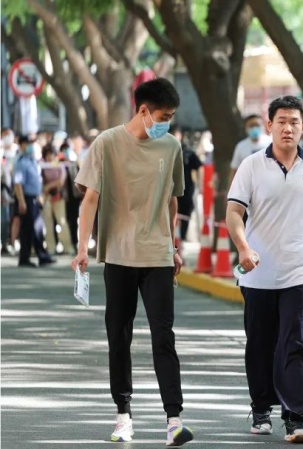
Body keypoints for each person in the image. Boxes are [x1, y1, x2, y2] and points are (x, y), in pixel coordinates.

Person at [70, 78, 194, 446]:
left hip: (156, 254)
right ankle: (123, 415)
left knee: (163, 337)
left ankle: (174, 419)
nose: (167, 123)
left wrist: (173, 245)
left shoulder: (171, 146)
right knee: (118, 337)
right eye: (163, 116)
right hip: (119, 254)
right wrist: (82, 249)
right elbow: (90, 198)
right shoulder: (107, 143)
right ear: (143, 111)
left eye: (171, 117)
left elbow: (173, 198)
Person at [227, 96, 303, 443]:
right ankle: (261, 407)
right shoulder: (252, 165)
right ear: (269, 125)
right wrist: (243, 248)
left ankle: (295, 417)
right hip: (258, 272)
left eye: (294, 121)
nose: (287, 127)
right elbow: (234, 212)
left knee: (295, 342)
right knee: (261, 343)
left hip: (301, 271)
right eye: (281, 121)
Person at [14, 134, 55, 268]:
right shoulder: (21, 162)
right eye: (27, 143)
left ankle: (42, 255)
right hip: (26, 198)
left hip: (34, 198)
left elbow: (36, 181)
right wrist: (21, 201)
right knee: (29, 228)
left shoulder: (32, 160)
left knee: (36, 227)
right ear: (21, 145)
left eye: (31, 143)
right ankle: (25, 258)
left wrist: (39, 196)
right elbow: (18, 184)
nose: (30, 146)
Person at [40, 144, 73, 255]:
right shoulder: (42, 165)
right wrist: (46, 190)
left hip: (58, 196)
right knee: (48, 223)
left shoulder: (60, 165)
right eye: (47, 155)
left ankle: (68, 247)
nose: (49, 157)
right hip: (47, 197)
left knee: (62, 221)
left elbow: (61, 182)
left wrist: (48, 186)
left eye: (51, 154)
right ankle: (50, 247)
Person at [173, 128, 202, 246]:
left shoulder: (188, 152)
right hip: (170, 189)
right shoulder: (166, 150)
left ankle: (182, 238)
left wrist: (199, 185)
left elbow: (199, 167)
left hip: (186, 189)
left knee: (185, 214)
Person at [229, 114, 272, 185]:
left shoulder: (271, 143)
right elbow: (234, 169)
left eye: (257, 125)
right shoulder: (241, 146)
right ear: (246, 128)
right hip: (248, 187)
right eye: (251, 126)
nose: (254, 128)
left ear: (262, 126)